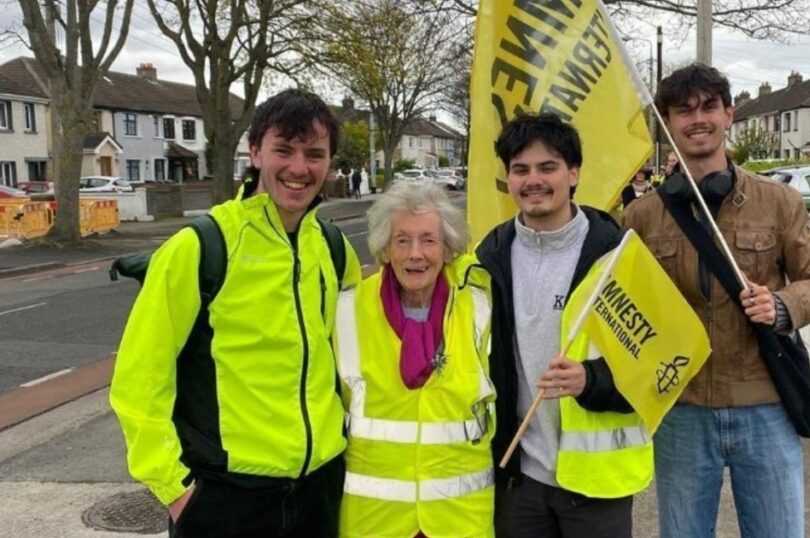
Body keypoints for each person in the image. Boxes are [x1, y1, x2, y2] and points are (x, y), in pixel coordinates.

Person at [110, 88, 363, 538]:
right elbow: (139, 379)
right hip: (227, 499)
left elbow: (355, 360)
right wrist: (177, 490)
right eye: (283, 150)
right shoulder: (202, 246)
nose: (299, 168)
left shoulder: (334, 247)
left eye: (315, 153)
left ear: (330, 162)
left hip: (320, 490)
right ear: (255, 152)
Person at [623, 64, 810, 537]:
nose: (696, 119)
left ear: (729, 115)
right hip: (681, 410)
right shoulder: (641, 217)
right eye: (682, 110)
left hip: (765, 405)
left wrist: (783, 304)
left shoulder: (778, 202)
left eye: (708, 107)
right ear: (667, 123)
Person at [475, 113, 652, 538]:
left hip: (596, 487)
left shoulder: (619, 256)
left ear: (574, 173)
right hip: (520, 479)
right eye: (521, 169)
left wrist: (590, 380)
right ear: (508, 179)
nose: (533, 180)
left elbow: (658, 369)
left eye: (547, 167)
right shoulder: (489, 256)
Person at [334, 181, 495, 537]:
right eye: (402, 240)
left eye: (429, 240)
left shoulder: (480, 304)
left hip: (461, 519)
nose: (415, 254)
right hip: (374, 521)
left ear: (449, 249)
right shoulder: (346, 310)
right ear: (384, 250)